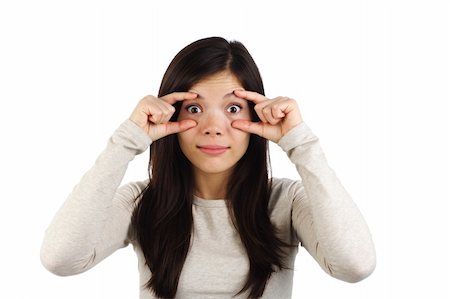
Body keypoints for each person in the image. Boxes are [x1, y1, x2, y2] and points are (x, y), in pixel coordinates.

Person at [40, 36, 376, 299]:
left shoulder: (285, 202)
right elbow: (61, 259)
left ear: (256, 115)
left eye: (232, 108)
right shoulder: (141, 201)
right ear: (169, 114)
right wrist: (126, 141)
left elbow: (355, 266)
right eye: (195, 109)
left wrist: (300, 143)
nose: (213, 127)